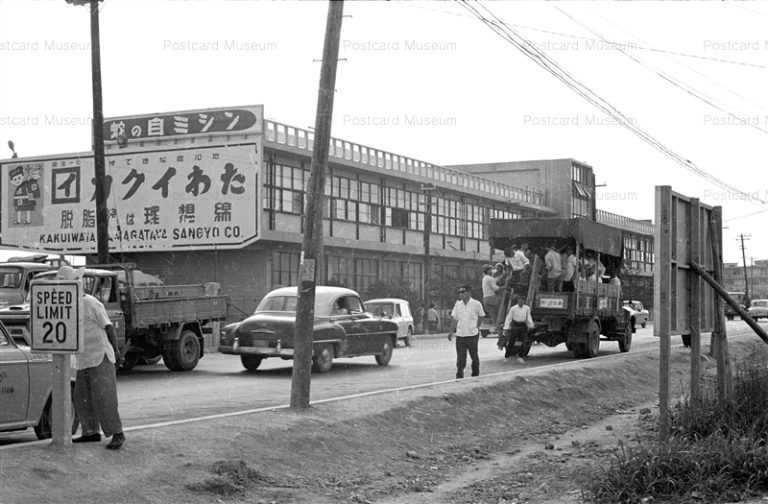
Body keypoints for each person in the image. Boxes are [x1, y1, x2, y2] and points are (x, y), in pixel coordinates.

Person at [60, 266, 126, 450]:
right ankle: (90, 432)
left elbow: (109, 328)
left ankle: (117, 433)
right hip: (83, 358)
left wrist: (117, 352)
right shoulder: (67, 305)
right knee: (81, 397)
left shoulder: (91, 303)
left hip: (100, 356)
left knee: (105, 397)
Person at [448, 285, 485, 379]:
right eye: (460, 293)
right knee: (460, 356)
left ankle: (475, 374)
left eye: (463, 292)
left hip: (472, 334)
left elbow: (481, 316)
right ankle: (459, 374)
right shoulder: (458, 305)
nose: (461, 294)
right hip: (460, 335)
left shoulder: (476, 304)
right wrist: (451, 332)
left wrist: (476, 326)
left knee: (474, 355)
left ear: (469, 293)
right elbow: (454, 319)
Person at [502, 295, 535, 363]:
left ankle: (520, 356)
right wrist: (506, 327)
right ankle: (507, 356)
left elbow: (528, 317)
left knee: (524, 341)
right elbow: (509, 318)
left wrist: (531, 325)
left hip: (523, 325)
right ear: (518, 301)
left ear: (524, 301)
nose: (521, 302)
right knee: (511, 341)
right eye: (520, 300)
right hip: (515, 325)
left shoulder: (527, 308)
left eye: (522, 300)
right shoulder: (513, 308)